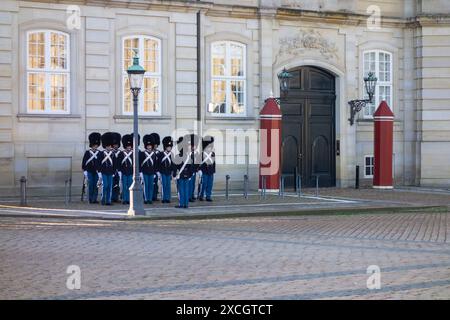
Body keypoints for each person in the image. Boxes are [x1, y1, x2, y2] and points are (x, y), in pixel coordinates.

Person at [174, 135, 194, 209]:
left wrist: (174, 175)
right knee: (186, 190)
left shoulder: (178, 156)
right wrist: (190, 175)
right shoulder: (188, 156)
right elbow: (190, 167)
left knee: (181, 190)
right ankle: (186, 204)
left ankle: (181, 204)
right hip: (187, 175)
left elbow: (175, 167)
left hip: (180, 175)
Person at [82, 132, 101, 204]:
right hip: (89, 171)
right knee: (90, 185)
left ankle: (94, 199)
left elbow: (100, 162)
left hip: (96, 171)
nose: (95, 146)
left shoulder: (99, 153)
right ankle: (89, 199)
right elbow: (84, 162)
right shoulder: (87, 152)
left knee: (96, 185)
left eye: (96, 145)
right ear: (91, 145)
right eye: (94, 145)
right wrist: (85, 171)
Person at [97, 132, 116, 206]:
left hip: (110, 172)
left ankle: (108, 200)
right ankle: (103, 199)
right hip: (104, 172)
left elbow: (115, 163)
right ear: (105, 146)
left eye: (109, 146)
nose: (108, 147)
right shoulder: (101, 153)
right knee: (105, 186)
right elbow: (98, 163)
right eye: (107, 146)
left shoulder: (113, 154)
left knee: (110, 186)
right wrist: (99, 172)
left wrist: (114, 172)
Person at [140, 134, 159, 204]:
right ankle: (146, 199)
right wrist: (140, 172)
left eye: (150, 145)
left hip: (151, 172)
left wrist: (155, 172)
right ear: (146, 146)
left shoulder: (154, 154)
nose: (149, 146)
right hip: (145, 172)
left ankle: (150, 199)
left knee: (151, 186)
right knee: (146, 185)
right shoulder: (142, 153)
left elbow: (155, 164)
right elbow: (140, 164)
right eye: (148, 145)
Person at [117, 134, 134, 205]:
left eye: (130, 146)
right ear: (125, 146)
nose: (129, 147)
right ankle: (124, 199)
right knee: (124, 186)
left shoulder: (133, 154)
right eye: (127, 146)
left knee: (130, 187)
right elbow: (119, 163)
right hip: (124, 172)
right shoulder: (121, 153)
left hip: (130, 172)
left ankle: (129, 199)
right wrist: (120, 172)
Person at [159, 136, 176, 203]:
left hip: (168, 172)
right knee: (164, 185)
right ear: (165, 147)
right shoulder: (161, 154)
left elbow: (173, 164)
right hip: (163, 171)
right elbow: (159, 164)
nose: (169, 148)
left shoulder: (172, 154)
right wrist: (159, 172)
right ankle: (164, 198)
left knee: (168, 185)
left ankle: (168, 198)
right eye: (168, 147)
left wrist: (173, 172)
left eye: (170, 147)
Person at [199, 136, 216, 202]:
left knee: (210, 184)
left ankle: (208, 196)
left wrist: (213, 170)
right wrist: (200, 170)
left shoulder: (213, 153)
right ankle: (201, 195)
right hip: (204, 171)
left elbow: (214, 163)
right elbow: (199, 163)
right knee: (204, 183)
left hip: (210, 171)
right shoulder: (202, 154)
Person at [188, 134, 201, 202]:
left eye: (195, 146)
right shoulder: (188, 153)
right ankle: (189, 196)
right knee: (189, 184)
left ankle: (192, 195)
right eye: (193, 146)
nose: (194, 147)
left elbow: (198, 162)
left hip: (194, 171)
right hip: (189, 171)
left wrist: (198, 169)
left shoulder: (196, 153)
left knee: (193, 184)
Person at [150, 133, 161, 202]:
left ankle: (154, 196)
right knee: (150, 184)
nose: (155, 146)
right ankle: (149, 196)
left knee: (155, 184)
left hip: (157, 171)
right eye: (154, 144)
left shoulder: (159, 152)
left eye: (156, 144)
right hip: (151, 170)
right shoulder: (149, 152)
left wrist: (159, 171)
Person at [111, 132, 122, 203]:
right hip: (111, 171)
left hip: (118, 171)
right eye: (114, 145)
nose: (116, 146)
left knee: (117, 185)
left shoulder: (120, 153)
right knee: (111, 184)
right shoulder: (110, 152)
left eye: (117, 145)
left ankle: (116, 197)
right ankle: (111, 197)